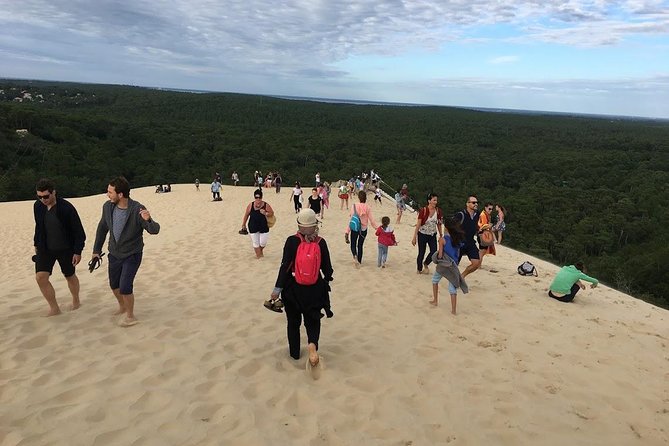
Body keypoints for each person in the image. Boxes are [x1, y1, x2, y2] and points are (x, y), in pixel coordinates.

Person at [267, 208, 333, 374]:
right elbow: (328, 270)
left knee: (293, 323)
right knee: (312, 321)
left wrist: (276, 290)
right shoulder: (321, 242)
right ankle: (312, 346)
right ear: (315, 225)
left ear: (299, 225)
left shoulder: (291, 241)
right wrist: (324, 281)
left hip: (292, 290)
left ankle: (295, 354)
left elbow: (285, 267)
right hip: (314, 290)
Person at [91, 176, 160, 327]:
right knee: (114, 285)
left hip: (132, 254)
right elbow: (102, 228)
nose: (107, 194)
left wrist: (148, 220)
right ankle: (122, 306)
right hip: (114, 253)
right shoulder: (107, 207)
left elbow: (154, 230)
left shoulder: (137, 209)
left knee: (125, 286)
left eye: (110, 192)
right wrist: (96, 250)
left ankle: (130, 315)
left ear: (120, 194)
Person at [33, 178, 86, 316]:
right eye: (39, 197)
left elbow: (79, 232)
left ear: (54, 192)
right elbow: (39, 227)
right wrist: (36, 244)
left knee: (70, 276)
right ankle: (54, 308)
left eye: (46, 196)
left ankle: (76, 300)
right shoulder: (37, 206)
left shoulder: (66, 208)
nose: (43, 199)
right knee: (40, 278)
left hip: (66, 249)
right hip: (45, 248)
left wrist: (77, 251)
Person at [430, 218, 467, 314]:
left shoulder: (443, 239)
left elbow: (440, 255)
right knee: (452, 288)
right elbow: (458, 254)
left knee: (435, 280)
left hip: (443, 264)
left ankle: (435, 301)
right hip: (453, 265)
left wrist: (436, 257)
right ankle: (453, 310)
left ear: (446, 227)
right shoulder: (457, 239)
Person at [412, 193, 443, 274]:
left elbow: (439, 223)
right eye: (434, 200)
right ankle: (419, 269)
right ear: (429, 201)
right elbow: (418, 224)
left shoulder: (438, 211)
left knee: (434, 251)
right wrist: (414, 236)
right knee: (421, 252)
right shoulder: (424, 210)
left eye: (436, 200)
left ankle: (426, 263)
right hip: (422, 234)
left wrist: (441, 235)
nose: (436, 202)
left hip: (432, 234)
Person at [345, 190, 378, 267]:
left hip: (355, 228)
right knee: (360, 245)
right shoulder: (368, 207)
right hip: (363, 229)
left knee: (353, 244)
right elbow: (372, 221)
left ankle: (355, 256)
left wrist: (347, 231)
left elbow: (352, 220)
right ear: (365, 198)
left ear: (359, 198)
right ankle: (359, 261)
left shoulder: (354, 206)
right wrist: (378, 228)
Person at [241, 189, 274, 259]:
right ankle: (259, 257)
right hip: (253, 226)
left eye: (259, 197)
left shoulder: (266, 205)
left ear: (262, 198)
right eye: (256, 197)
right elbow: (246, 215)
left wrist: (265, 213)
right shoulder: (251, 205)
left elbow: (271, 213)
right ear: (254, 197)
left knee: (263, 243)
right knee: (256, 243)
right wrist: (243, 224)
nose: (258, 199)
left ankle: (259, 252)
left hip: (263, 226)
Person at [455, 195, 482, 278]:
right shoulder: (461, 214)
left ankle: (462, 276)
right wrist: (446, 238)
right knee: (454, 265)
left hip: (470, 242)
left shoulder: (477, 214)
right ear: (467, 204)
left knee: (476, 263)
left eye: (477, 202)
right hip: (459, 242)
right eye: (474, 202)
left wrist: (479, 231)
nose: (476, 204)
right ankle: (453, 281)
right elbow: (449, 225)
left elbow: (475, 225)